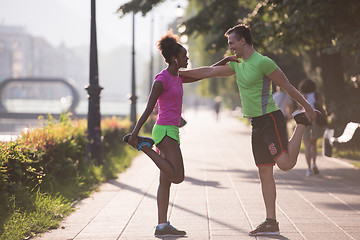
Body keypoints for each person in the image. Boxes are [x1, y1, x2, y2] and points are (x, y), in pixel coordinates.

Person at [180, 24, 318, 236]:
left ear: (243, 40)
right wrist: (177, 74)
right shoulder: (237, 65)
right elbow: (209, 71)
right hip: (256, 123)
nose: (230, 47)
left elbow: (288, 86)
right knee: (264, 172)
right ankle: (271, 221)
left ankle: (301, 124)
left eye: (231, 43)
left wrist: (307, 108)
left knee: (285, 163)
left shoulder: (263, 62)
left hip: (270, 118)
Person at [124, 30, 199, 238]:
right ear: (175, 59)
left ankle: (161, 225)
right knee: (178, 176)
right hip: (164, 131)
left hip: (171, 130)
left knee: (165, 181)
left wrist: (224, 63)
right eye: (185, 56)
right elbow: (149, 108)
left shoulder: (178, 77)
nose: (187, 58)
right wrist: (135, 134)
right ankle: (145, 147)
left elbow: (203, 72)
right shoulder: (162, 79)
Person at [298, 79, 326, 176]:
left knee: (307, 145)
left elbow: (299, 108)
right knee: (313, 144)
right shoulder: (316, 95)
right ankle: (314, 163)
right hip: (315, 120)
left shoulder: (302, 96)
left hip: (305, 120)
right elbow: (321, 107)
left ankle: (308, 168)